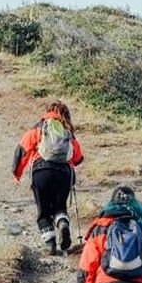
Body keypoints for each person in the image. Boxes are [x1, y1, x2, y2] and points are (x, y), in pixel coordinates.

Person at [13, 100, 84, 255]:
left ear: (48, 111)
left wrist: (17, 173)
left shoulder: (40, 127)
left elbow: (22, 149)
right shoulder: (67, 131)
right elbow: (78, 158)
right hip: (64, 174)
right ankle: (63, 223)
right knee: (60, 207)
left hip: (41, 172)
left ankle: (50, 244)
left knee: (43, 211)